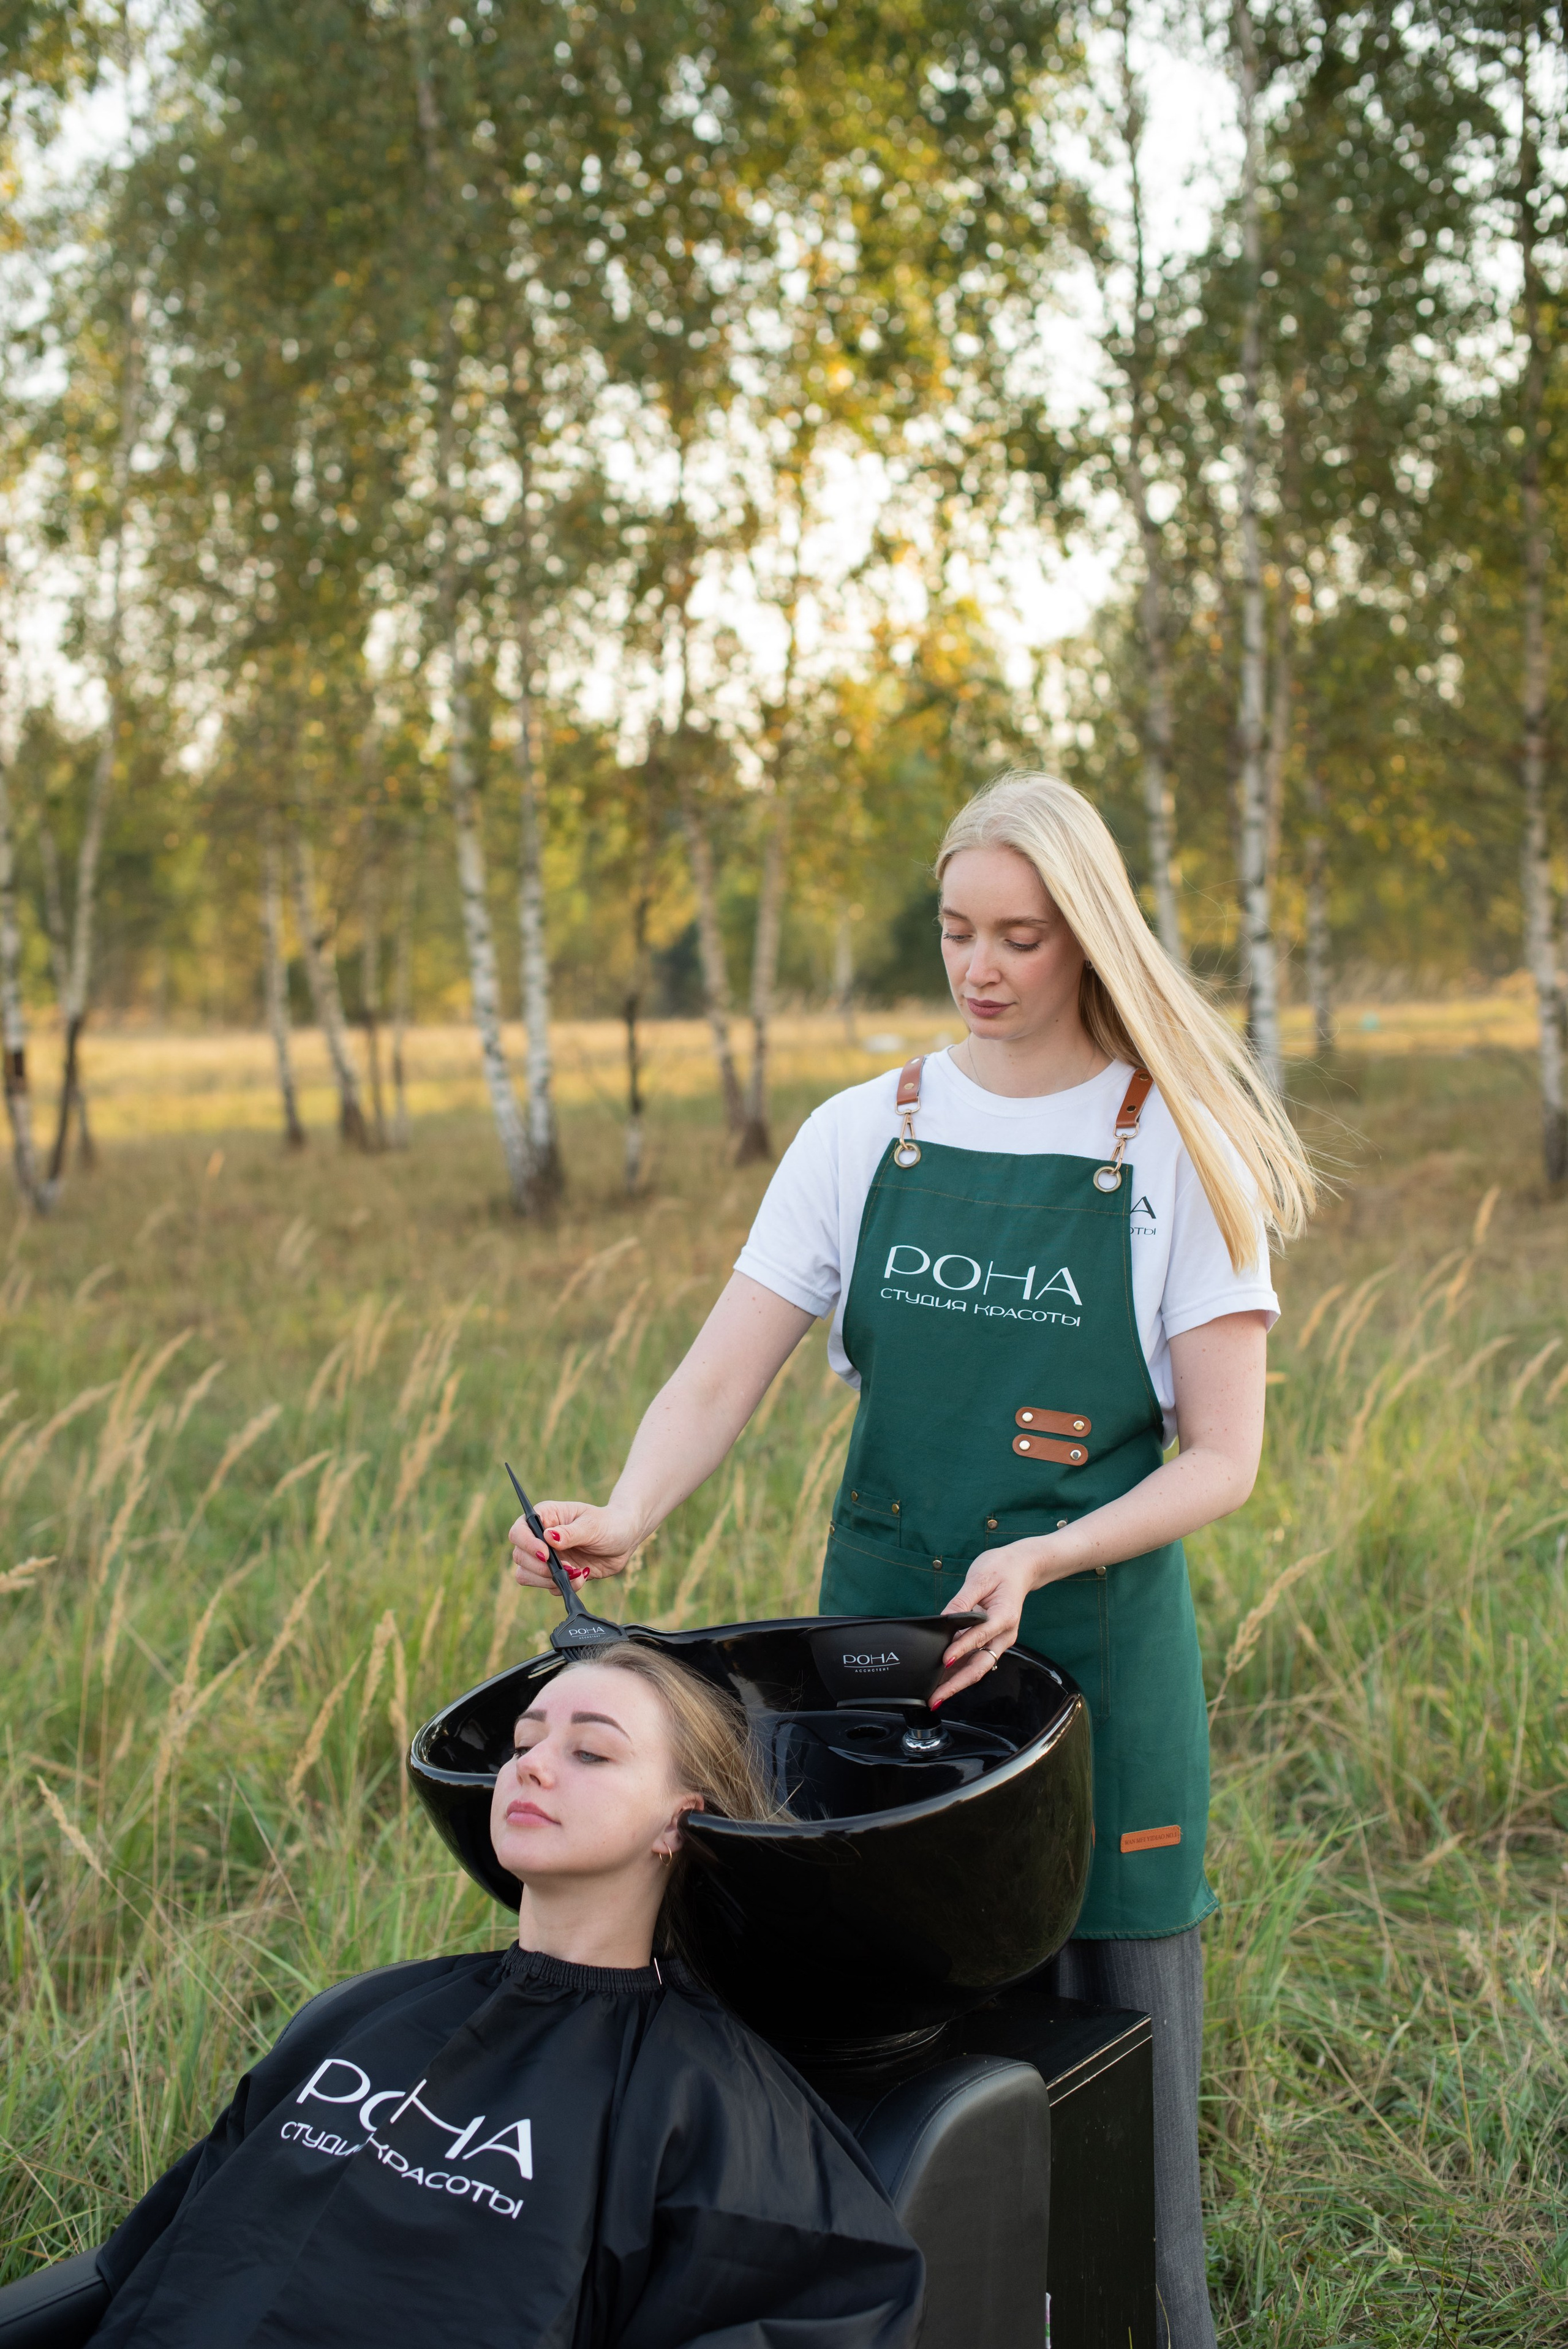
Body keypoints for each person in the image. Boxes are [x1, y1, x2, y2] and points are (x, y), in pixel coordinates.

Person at [512, 771, 1315, 2349]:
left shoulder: (1175, 1149)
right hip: (875, 1658)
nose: (984, 967)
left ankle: (1151, 2326)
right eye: (959, 929)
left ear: (1085, 937)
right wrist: (629, 1507)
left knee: (1119, 2045)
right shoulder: (860, 1131)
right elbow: (722, 1367)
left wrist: (1046, 1551)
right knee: (872, 2023)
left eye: (1021, 934)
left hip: (1095, 1658)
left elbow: (1224, 1458)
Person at [88, 1644, 924, 2349]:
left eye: (590, 1752)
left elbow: (829, 2297)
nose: (531, 1764)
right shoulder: (362, 2017)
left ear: (680, 1820)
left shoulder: (705, 2102)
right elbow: (161, 2260)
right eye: (524, 1743)